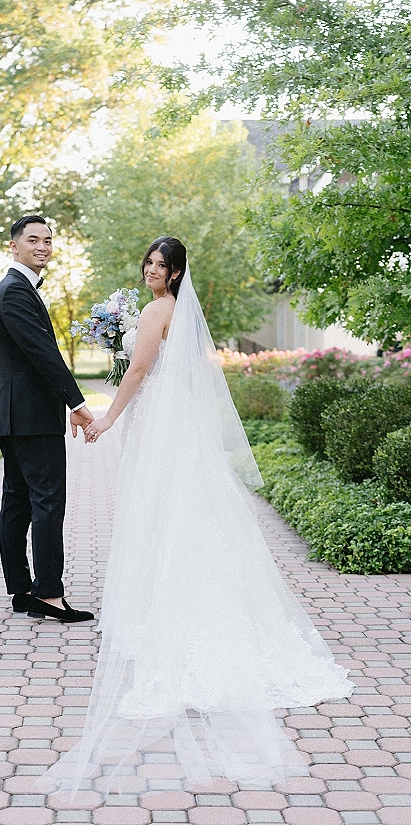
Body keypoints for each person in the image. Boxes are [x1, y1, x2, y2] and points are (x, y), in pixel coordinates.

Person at [39, 236, 354, 794]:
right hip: (177, 426)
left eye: (162, 265)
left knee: (159, 519)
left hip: (159, 428)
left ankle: (170, 622)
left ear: (177, 272)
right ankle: (184, 608)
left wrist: (106, 420)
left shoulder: (157, 310)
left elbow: (137, 373)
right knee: (185, 520)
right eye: (149, 262)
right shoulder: (180, 313)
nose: (152, 270)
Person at [0, 214, 95, 623]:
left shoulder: (15, 289)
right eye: (33, 240)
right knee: (47, 502)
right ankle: (48, 595)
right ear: (14, 246)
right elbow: (43, 356)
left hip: (18, 415)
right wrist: (78, 405)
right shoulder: (15, 291)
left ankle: (21, 591)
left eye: (48, 241)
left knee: (17, 501)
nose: (43, 246)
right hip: (30, 417)